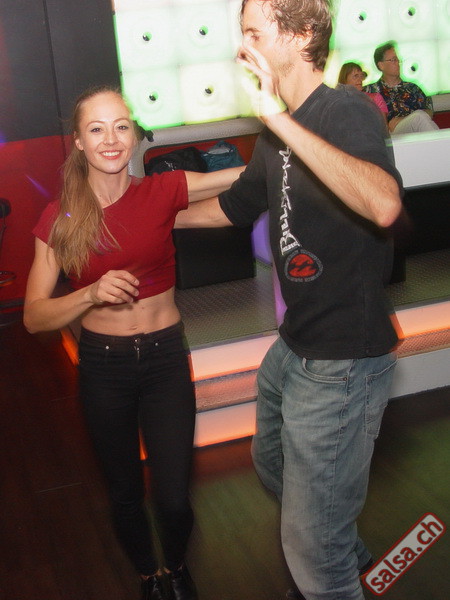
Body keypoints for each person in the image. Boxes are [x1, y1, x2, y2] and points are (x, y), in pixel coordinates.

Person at [175, 1, 403, 599]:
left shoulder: (344, 108)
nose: (242, 46)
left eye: (253, 32)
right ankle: (343, 553)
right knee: (272, 461)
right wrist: (150, 218)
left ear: (302, 36)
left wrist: (278, 118)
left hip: (342, 358)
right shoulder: (276, 132)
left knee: (310, 550)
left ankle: (330, 569)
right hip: (296, 345)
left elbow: (383, 203)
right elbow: (232, 208)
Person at [23, 85, 243, 600]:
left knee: (173, 497)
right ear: (79, 141)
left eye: (121, 126)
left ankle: (178, 567)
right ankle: (149, 575)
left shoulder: (162, 190)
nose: (111, 139)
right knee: (124, 492)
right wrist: (88, 294)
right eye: (96, 129)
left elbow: (236, 176)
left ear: (135, 134)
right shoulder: (61, 217)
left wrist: (298, 144)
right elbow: (33, 317)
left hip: (166, 358)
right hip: (105, 368)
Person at [364, 41, 439, 134]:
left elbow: (429, 111)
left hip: (415, 132)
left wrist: (403, 120)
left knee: (419, 117)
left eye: (398, 60)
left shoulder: (412, 88)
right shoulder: (370, 91)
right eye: (393, 60)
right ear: (381, 65)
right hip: (387, 135)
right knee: (419, 117)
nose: (397, 63)